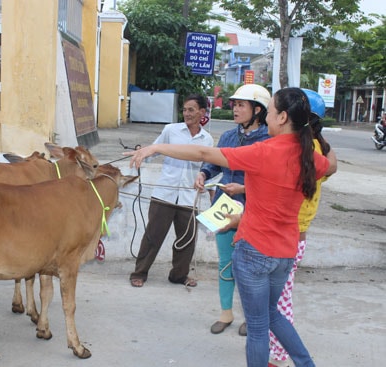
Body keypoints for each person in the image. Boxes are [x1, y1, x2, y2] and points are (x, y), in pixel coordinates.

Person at [126, 87, 337, 367]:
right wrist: (318, 138)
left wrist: (156, 147)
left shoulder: (264, 150)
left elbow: (203, 152)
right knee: (273, 314)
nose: (268, 116)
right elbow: (331, 166)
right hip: (285, 253)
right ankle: (306, 364)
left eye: (271, 111)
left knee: (259, 326)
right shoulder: (309, 155)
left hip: (255, 252)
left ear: (283, 117)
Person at [194, 84, 271, 336]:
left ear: (258, 110)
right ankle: (226, 312)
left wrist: (245, 188)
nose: (235, 109)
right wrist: (204, 174)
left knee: (251, 268)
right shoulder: (228, 136)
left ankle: (253, 316)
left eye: (241, 105)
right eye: (234, 104)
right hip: (223, 208)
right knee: (225, 262)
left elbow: (273, 178)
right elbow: (214, 162)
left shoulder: (269, 140)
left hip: (253, 211)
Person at [267, 89, 331, 367]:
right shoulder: (318, 149)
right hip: (296, 235)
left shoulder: (306, 151)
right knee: (278, 300)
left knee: (279, 303)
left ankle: (280, 356)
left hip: (288, 236)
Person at [129, 94, 214, 288]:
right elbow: (154, 149)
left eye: (191, 110)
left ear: (202, 112)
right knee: (153, 236)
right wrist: (141, 154)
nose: (187, 113)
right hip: (164, 195)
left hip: (189, 197)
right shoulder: (171, 130)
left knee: (187, 239)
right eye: (184, 110)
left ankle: (178, 275)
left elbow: (208, 166)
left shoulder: (207, 139)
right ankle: (139, 273)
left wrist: (208, 185)